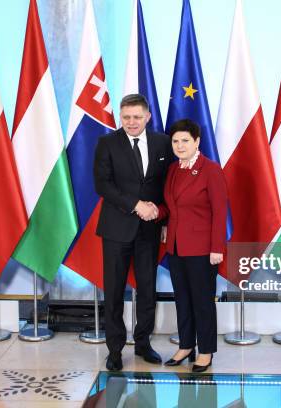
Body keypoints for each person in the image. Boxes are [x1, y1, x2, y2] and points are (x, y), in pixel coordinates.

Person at [94, 94, 174, 371]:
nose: (131, 122)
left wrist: (159, 212)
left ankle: (143, 343)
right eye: (126, 117)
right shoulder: (107, 143)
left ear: (147, 117)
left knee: (147, 289)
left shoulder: (164, 142)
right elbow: (102, 185)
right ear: (120, 116)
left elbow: (169, 184)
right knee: (114, 291)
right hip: (116, 228)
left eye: (137, 117)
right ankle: (114, 350)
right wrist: (136, 205)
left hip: (149, 229)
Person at [157, 119, 228, 372]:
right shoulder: (174, 170)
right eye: (175, 141)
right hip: (175, 246)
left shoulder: (210, 169)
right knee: (182, 300)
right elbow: (171, 206)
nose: (179, 145)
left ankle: (206, 351)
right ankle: (186, 345)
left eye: (185, 140)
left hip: (202, 249)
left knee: (202, 301)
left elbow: (220, 213)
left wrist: (217, 247)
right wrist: (156, 212)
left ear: (197, 141)